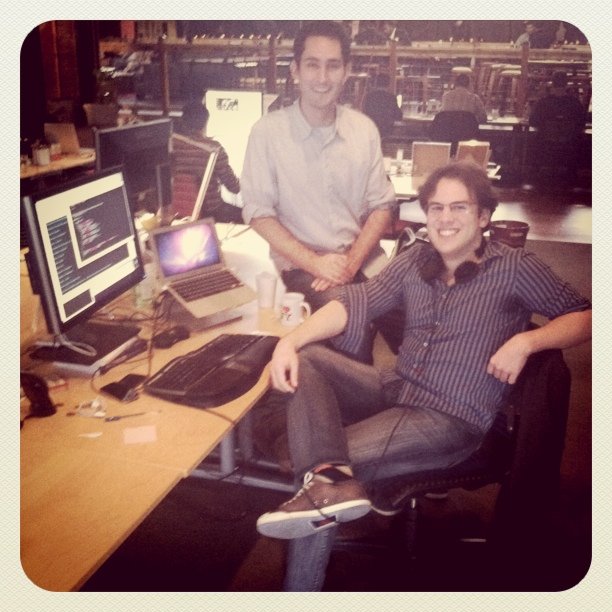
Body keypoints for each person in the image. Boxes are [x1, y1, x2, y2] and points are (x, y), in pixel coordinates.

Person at [254, 160, 592, 591]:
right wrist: (290, 341)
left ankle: (302, 578)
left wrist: (527, 342)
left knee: (319, 481)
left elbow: (586, 315)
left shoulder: (514, 267)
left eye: (459, 208)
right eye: (435, 208)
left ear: (483, 217)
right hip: (396, 388)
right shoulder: (416, 260)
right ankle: (328, 476)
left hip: (450, 417)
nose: (445, 219)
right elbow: (358, 300)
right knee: (312, 359)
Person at [241, 20, 396, 316]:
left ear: (346, 71)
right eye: (312, 65)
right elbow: (258, 213)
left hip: (363, 258)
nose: (323, 78)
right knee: (350, 320)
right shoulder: (267, 133)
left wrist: (349, 265)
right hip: (302, 265)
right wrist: (316, 263)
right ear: (295, 70)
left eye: (333, 66)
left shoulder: (364, 130)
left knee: (422, 312)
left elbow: (382, 206)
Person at [173, 98, 243, 223]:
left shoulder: (172, 144)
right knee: (250, 218)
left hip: (177, 212)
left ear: (182, 121)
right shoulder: (213, 149)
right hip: (210, 212)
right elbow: (234, 187)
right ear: (206, 122)